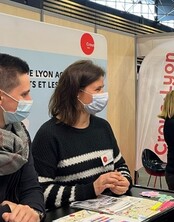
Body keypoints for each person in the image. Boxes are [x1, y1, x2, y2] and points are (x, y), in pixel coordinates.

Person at [32, 60, 132, 210]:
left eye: (102, 88)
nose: (103, 95)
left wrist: (124, 181)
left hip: (108, 215)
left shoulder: (103, 127)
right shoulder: (48, 135)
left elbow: (120, 165)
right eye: (97, 90)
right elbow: (41, 192)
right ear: (76, 93)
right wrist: (90, 189)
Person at [0, 53, 45, 222]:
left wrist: (33, 212)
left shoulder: (20, 134)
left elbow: (32, 186)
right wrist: (5, 210)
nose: (30, 100)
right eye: (24, 94)